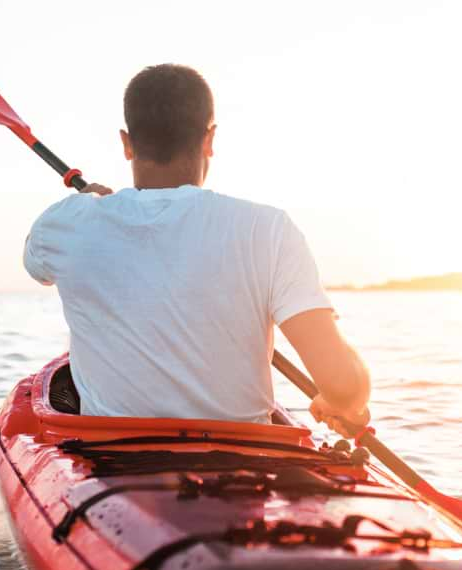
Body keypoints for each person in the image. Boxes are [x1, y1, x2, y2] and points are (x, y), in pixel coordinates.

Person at [22, 64, 370, 436]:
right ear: (209, 139)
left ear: (126, 143)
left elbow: (37, 267)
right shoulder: (270, 229)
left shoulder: (66, 223)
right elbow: (343, 386)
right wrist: (341, 403)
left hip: (108, 459)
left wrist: (87, 206)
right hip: (246, 466)